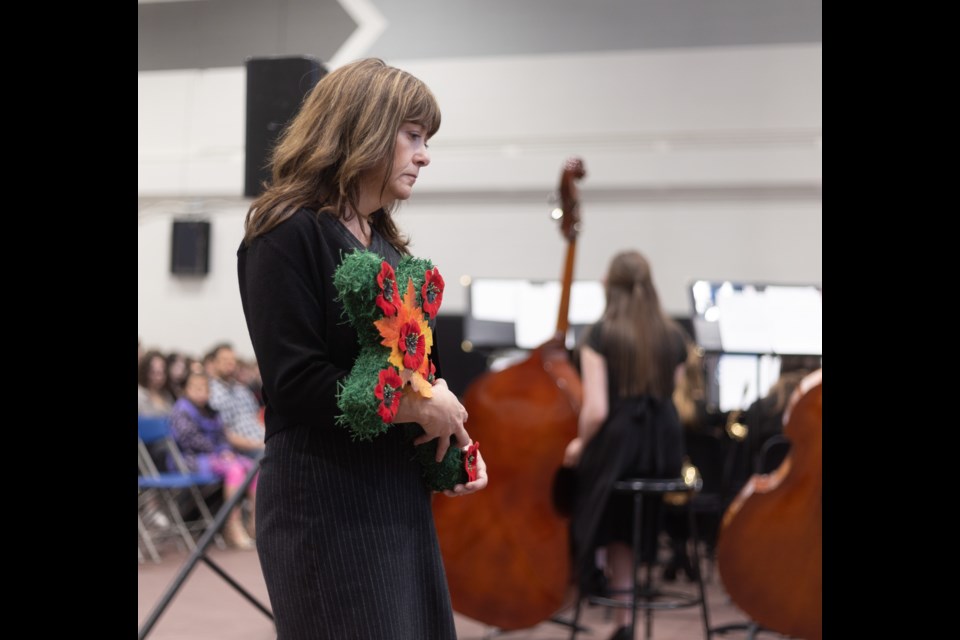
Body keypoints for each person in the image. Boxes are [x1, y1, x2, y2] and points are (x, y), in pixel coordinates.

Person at [237, 58, 487, 640]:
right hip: (323, 498)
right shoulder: (285, 230)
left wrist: (446, 425)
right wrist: (420, 407)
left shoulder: (387, 244)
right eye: (414, 135)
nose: (425, 155)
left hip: (393, 493)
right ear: (366, 125)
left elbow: (418, 367)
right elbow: (296, 386)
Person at [562, 250, 688, 640]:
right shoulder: (674, 336)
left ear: (609, 286)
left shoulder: (600, 334)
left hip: (621, 443)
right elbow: (676, 395)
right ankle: (622, 599)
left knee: (583, 486)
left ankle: (602, 590)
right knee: (629, 507)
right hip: (666, 447)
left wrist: (580, 446)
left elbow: (597, 410)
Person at [169, 371, 258, 549]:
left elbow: (222, 437)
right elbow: (189, 439)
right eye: (196, 388)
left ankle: (255, 523)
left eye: (205, 388)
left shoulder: (212, 410)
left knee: (254, 467)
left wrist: (225, 450)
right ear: (186, 389)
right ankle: (233, 525)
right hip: (190, 460)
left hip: (217, 458)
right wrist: (219, 452)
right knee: (235, 469)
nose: (202, 392)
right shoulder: (181, 409)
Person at [206, 343, 266, 459]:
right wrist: (255, 445)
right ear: (214, 363)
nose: (230, 363)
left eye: (233, 360)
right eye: (225, 359)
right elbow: (224, 433)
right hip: (243, 450)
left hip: (262, 441)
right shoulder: (210, 393)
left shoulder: (242, 390)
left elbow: (257, 418)